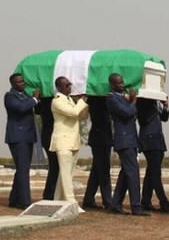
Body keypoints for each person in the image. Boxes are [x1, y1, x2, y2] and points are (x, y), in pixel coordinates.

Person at [107, 74, 148, 216]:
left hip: (130, 139)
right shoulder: (112, 98)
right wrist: (134, 101)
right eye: (118, 83)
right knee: (133, 172)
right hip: (124, 140)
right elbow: (127, 112)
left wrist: (130, 101)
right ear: (112, 85)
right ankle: (136, 206)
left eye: (122, 82)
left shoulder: (122, 98)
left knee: (126, 173)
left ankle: (115, 204)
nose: (122, 85)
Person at [49, 76, 89, 205]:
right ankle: (71, 202)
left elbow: (82, 115)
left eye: (70, 84)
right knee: (66, 175)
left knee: (66, 174)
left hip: (73, 141)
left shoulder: (71, 100)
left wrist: (83, 102)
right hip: (63, 141)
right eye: (67, 85)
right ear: (59, 87)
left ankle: (58, 200)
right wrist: (81, 102)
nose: (70, 87)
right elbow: (73, 113)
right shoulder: (57, 101)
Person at [3, 74, 40, 210]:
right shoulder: (10, 96)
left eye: (23, 81)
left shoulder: (26, 95)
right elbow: (21, 108)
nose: (22, 84)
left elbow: (34, 108)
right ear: (13, 84)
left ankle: (14, 199)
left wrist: (38, 100)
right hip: (18, 137)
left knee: (22, 169)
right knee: (23, 170)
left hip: (28, 136)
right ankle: (24, 202)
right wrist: (35, 99)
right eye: (19, 82)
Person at [137, 98, 169, 213]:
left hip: (158, 139)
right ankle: (164, 202)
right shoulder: (143, 102)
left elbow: (164, 118)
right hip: (149, 139)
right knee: (155, 173)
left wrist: (165, 106)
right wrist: (155, 107)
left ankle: (145, 201)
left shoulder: (156, 103)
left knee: (151, 172)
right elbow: (144, 119)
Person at [81, 96, 113, 211]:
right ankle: (108, 201)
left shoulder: (101, 99)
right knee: (104, 171)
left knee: (97, 171)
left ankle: (89, 198)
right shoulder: (97, 99)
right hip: (100, 139)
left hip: (103, 138)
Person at [37, 98, 58, 201]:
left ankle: (51, 193)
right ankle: (50, 194)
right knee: (55, 166)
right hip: (49, 136)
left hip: (55, 136)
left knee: (56, 167)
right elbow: (37, 110)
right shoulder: (49, 100)